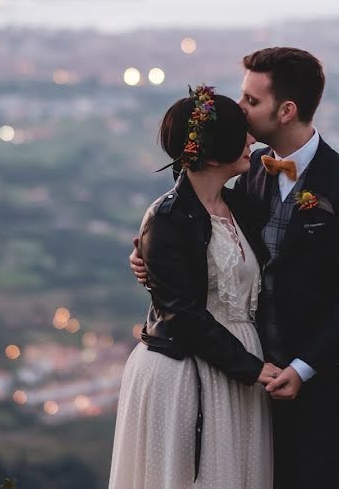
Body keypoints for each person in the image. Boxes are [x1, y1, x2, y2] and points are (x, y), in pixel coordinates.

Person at [130, 48, 339, 488]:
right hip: (241, 382)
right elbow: (199, 227)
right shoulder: (243, 170)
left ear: (286, 111)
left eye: (251, 101)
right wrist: (147, 256)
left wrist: (303, 368)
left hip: (316, 390)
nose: (241, 110)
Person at [109, 85, 279, 489]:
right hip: (186, 372)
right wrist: (253, 369)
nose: (253, 141)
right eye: (243, 135)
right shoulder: (167, 217)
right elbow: (182, 315)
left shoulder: (240, 207)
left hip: (237, 365)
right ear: (215, 151)